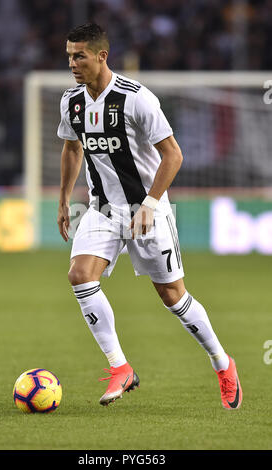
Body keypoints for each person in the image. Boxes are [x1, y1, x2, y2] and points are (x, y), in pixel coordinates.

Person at [57, 23, 243, 408]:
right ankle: (120, 367)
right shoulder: (72, 101)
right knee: (79, 275)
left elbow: (173, 154)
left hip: (147, 210)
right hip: (102, 209)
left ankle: (223, 364)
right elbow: (72, 149)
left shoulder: (136, 99)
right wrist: (63, 200)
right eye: (69, 56)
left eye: (80, 56)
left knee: (173, 296)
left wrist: (151, 204)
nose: (73, 63)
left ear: (102, 56)